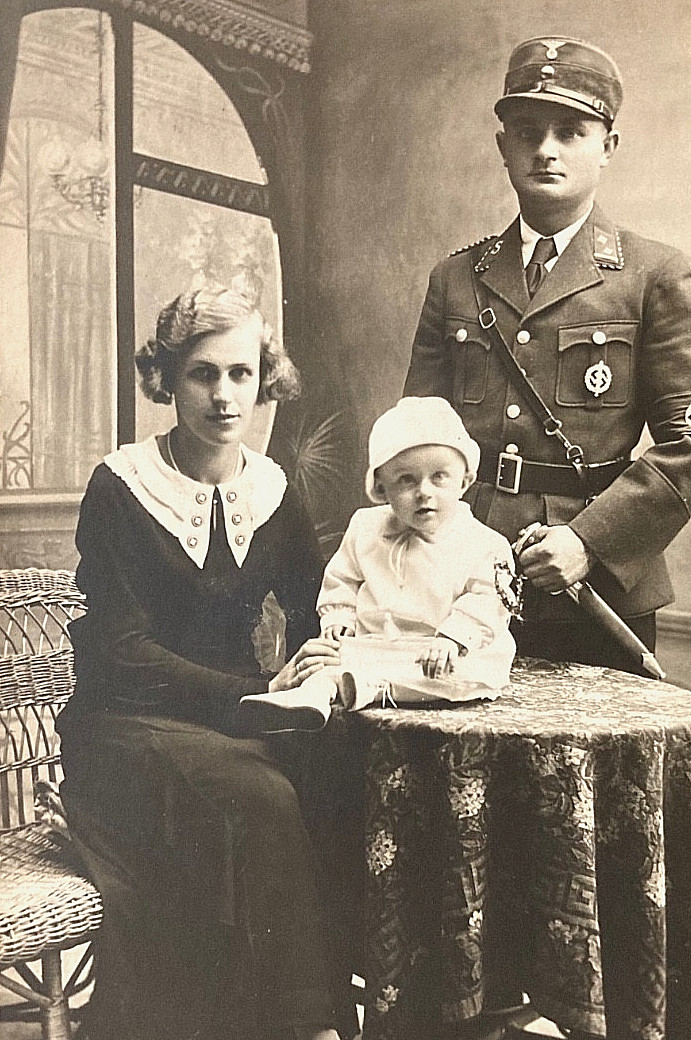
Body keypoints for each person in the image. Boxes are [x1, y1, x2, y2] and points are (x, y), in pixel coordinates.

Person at [56, 285, 356, 1040]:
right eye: (202, 374)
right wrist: (254, 692)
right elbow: (119, 654)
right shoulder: (121, 486)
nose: (225, 397)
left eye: (242, 374)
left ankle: (333, 1007)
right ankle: (302, 1027)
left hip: (234, 719)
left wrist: (325, 661)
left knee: (344, 773)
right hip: (124, 727)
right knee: (257, 794)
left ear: (265, 381)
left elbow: (320, 602)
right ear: (167, 378)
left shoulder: (272, 488)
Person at [403, 36, 691, 672]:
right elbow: (415, 438)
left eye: (571, 131)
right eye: (528, 131)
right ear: (503, 144)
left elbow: (687, 445)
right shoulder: (455, 279)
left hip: (594, 585)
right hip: (461, 567)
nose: (546, 149)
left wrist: (588, 541)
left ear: (607, 147)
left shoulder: (654, 276)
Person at [238, 397, 515, 732]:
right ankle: (310, 696)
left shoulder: (485, 543)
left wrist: (452, 639)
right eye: (406, 480)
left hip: (445, 654)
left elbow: (489, 600)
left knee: (463, 675)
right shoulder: (366, 528)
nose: (424, 492)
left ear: (465, 481)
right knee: (328, 658)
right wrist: (339, 619)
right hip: (378, 646)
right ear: (382, 489)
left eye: (439, 477)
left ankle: (363, 686)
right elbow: (342, 579)